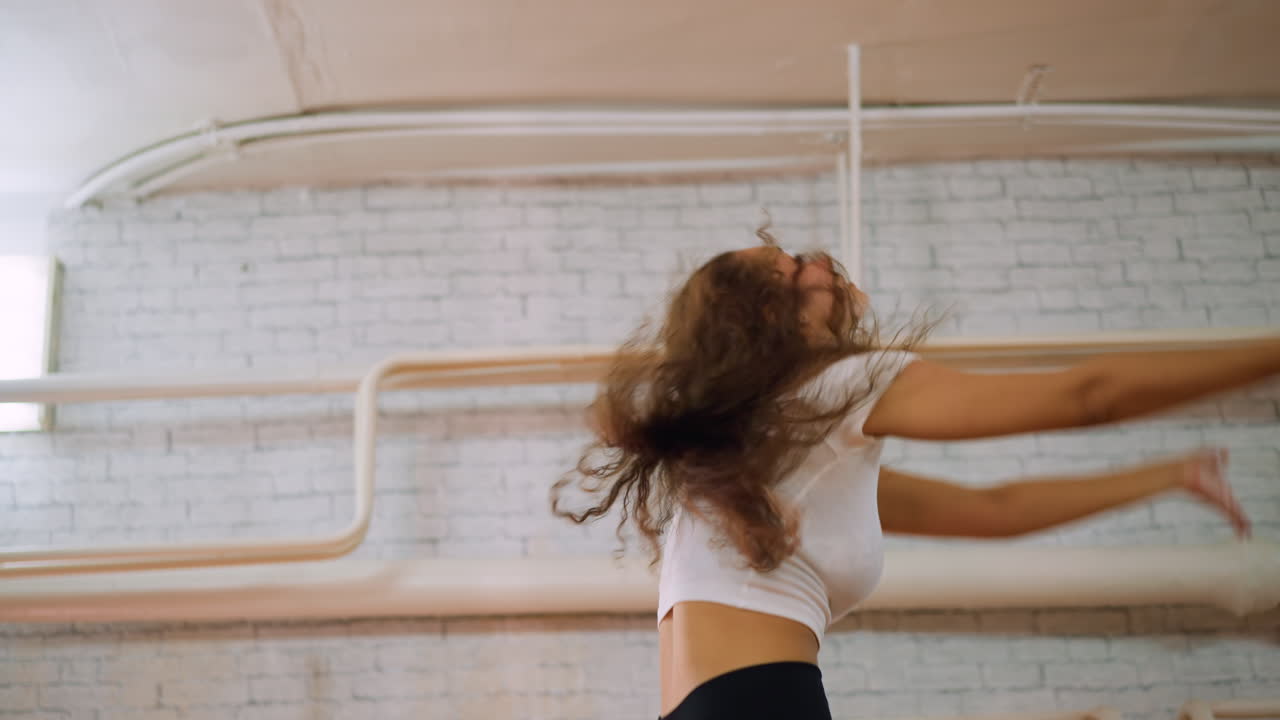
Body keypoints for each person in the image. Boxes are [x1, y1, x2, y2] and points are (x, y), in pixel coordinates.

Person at [551, 228, 1277, 720]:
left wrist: (1166, 476)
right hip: (763, 701)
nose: (817, 261)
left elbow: (993, 510)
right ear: (766, 313)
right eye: (789, 265)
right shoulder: (839, 384)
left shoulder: (764, 450)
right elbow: (1087, 397)